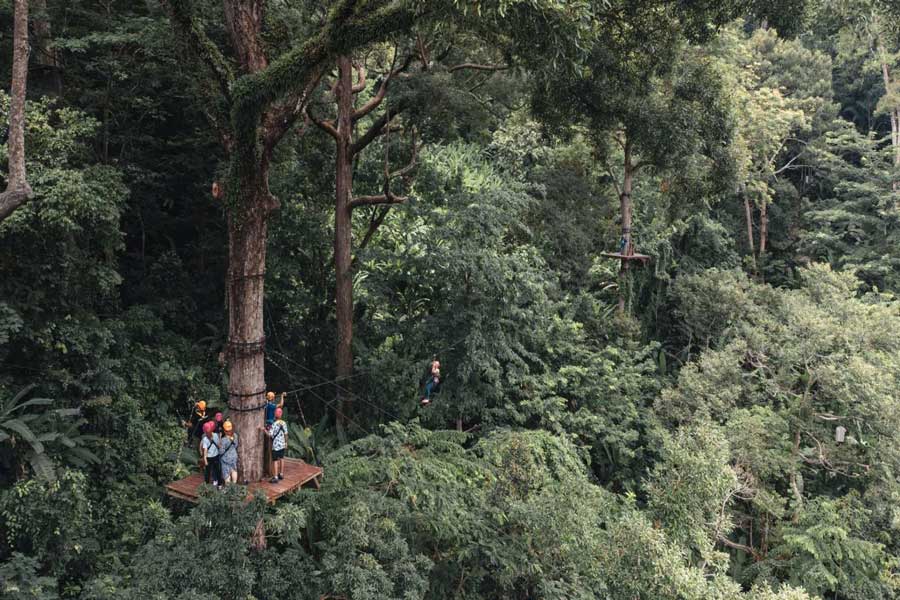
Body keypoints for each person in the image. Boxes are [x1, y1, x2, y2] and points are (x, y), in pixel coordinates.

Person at [262, 407, 288, 484]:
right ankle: (281, 474)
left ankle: (275, 477)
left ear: (275, 415)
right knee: (282, 458)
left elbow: (269, 435)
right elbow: (286, 434)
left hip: (276, 446)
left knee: (275, 460)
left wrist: (264, 430)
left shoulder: (274, 424)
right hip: (282, 444)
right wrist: (286, 443)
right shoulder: (284, 423)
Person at [199, 420, 222, 487]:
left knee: (216, 471)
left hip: (215, 456)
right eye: (207, 432)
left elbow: (218, 445)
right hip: (210, 457)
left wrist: (220, 437)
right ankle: (208, 485)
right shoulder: (206, 439)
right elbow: (205, 450)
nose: (207, 433)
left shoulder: (213, 436)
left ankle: (218, 484)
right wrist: (205, 460)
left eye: (208, 432)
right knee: (209, 472)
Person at [219, 420, 239, 485]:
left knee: (226, 473)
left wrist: (219, 440)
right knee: (234, 470)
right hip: (234, 456)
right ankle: (234, 485)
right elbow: (236, 445)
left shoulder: (223, 440)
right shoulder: (235, 435)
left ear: (224, 430)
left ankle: (228, 488)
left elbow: (221, 451)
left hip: (226, 458)